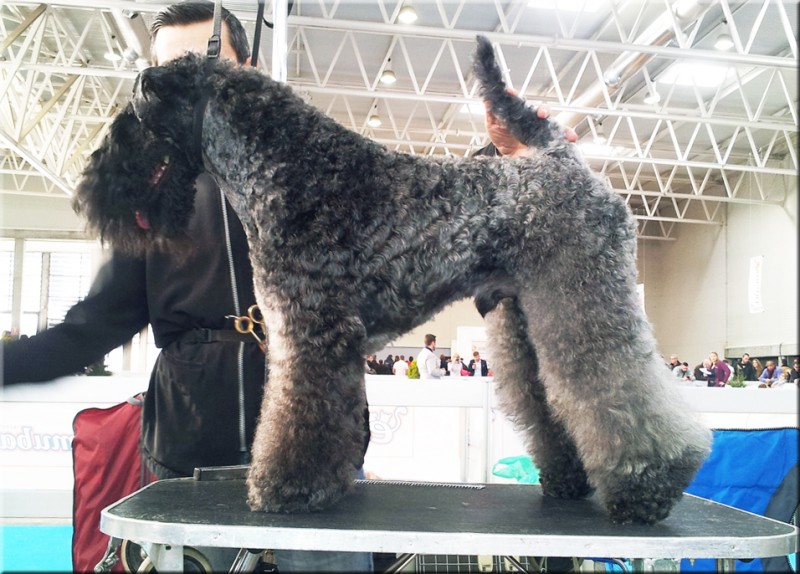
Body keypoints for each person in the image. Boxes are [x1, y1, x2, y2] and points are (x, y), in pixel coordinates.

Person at [1, 3, 371, 571]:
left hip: (318, 451)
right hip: (191, 459)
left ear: (247, 64)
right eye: (169, 70)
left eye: (206, 61)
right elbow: (90, 327)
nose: (188, 84)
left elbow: (413, 232)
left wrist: (509, 162)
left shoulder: (319, 164)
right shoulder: (148, 198)